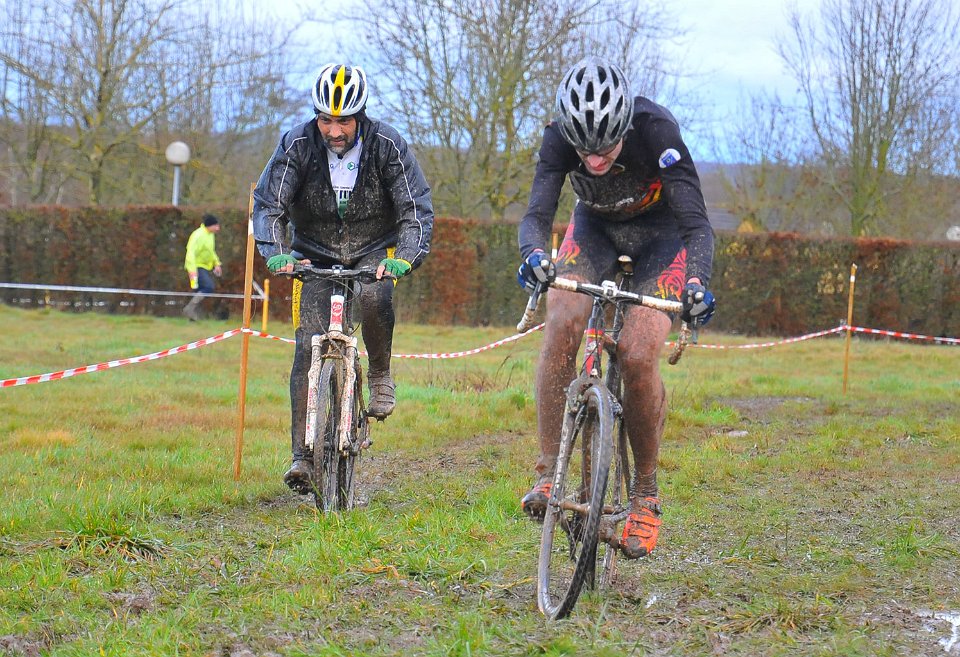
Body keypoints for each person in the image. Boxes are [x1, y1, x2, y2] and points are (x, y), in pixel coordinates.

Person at [516, 57, 717, 559]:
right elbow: (538, 212)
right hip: (595, 229)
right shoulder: (558, 139)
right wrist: (534, 256)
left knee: (637, 351)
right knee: (561, 318)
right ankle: (548, 473)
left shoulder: (657, 132)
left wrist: (696, 284)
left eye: (605, 146)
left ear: (625, 124)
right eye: (585, 149)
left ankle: (645, 498)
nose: (595, 158)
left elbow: (697, 227)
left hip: (663, 239)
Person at [252, 63, 434, 494]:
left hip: (372, 249)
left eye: (344, 121)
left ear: (361, 117)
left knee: (374, 298)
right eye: (326, 119)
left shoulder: (387, 144)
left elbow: (415, 209)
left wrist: (405, 257)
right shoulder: (295, 145)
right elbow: (269, 204)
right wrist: (276, 254)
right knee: (305, 346)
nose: (334, 130)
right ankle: (302, 456)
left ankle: (379, 373)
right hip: (313, 254)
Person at [182, 214, 222, 321]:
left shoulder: (210, 235)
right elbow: (190, 253)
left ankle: (192, 318)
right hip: (196, 267)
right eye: (216, 226)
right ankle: (189, 309)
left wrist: (216, 264)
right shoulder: (197, 235)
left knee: (198, 290)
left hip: (205, 267)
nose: (218, 228)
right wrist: (192, 271)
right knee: (208, 287)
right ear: (210, 225)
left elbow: (210, 251)